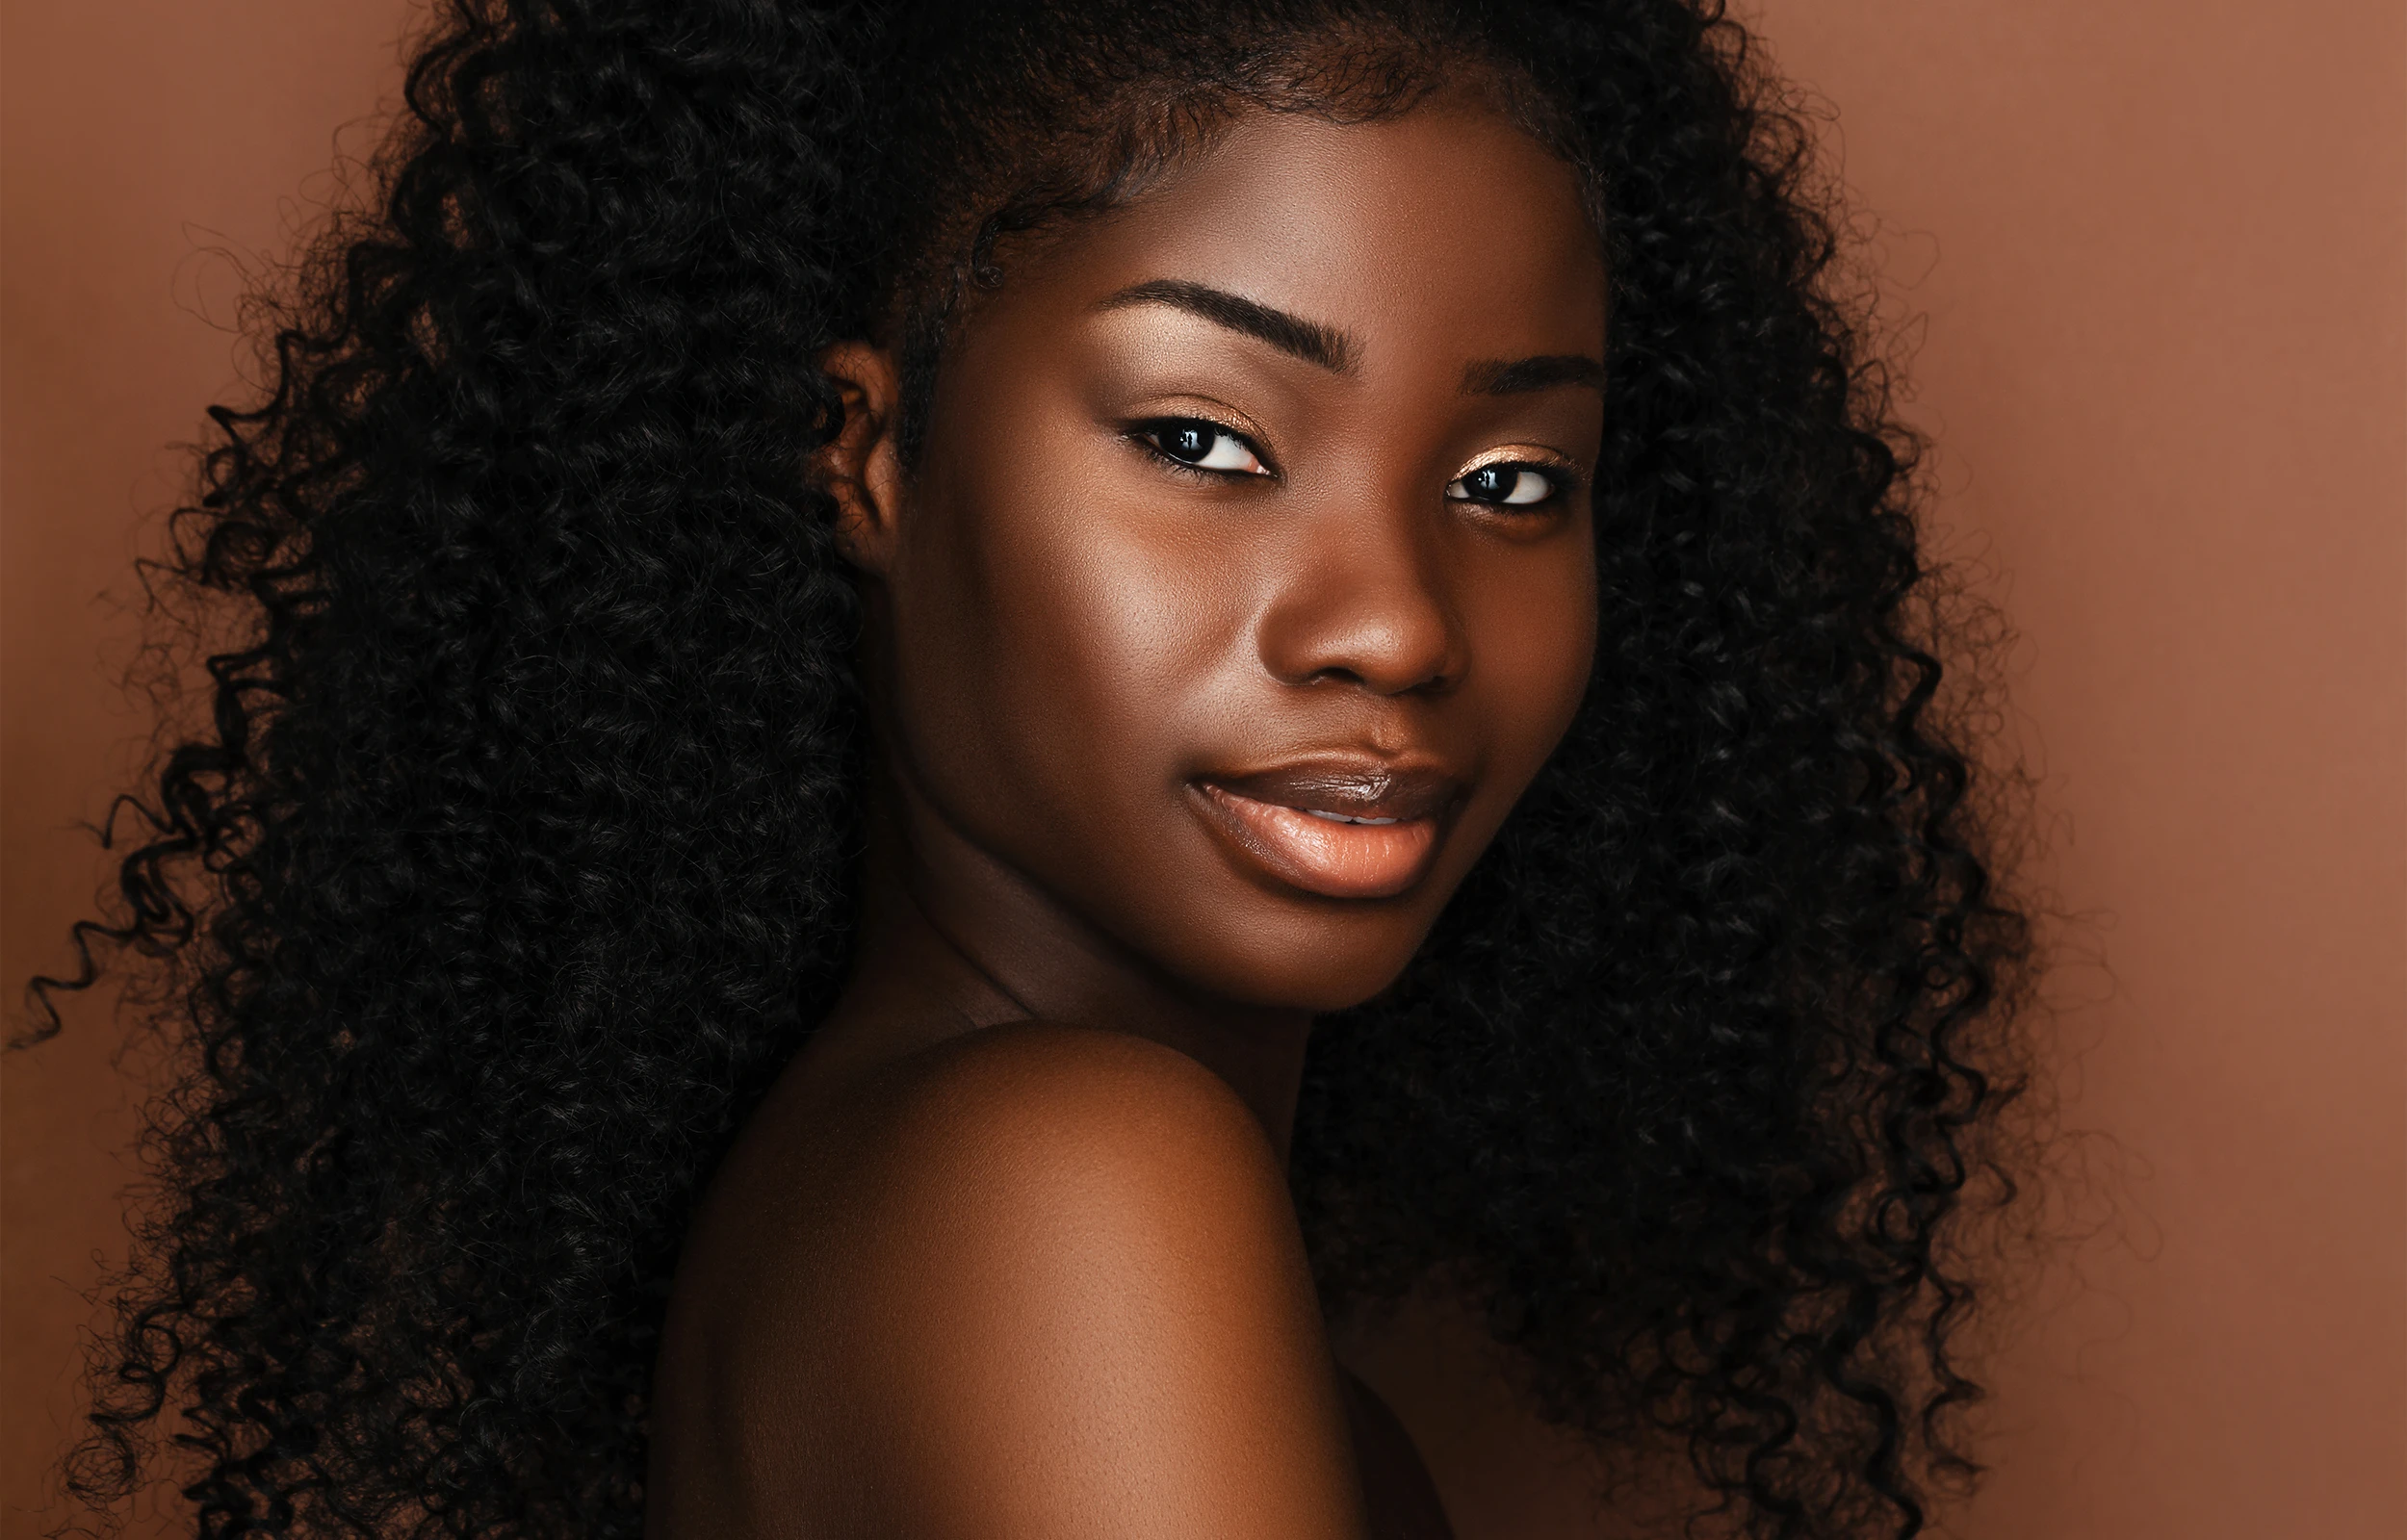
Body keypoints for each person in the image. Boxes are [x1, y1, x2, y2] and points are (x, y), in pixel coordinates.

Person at [33, 2, 2031, 1536]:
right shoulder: (1074, 1186)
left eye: (1510, 482)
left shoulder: (934, 1175)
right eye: (1204, 442)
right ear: (863, 458)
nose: (1396, 622)